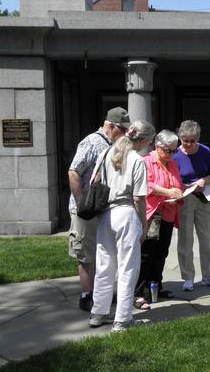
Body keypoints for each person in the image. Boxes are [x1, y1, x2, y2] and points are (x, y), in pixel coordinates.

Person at [88, 120, 155, 332]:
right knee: (128, 268)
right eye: (149, 141)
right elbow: (138, 199)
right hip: (125, 213)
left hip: (105, 214)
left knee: (104, 266)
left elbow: (94, 181)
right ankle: (123, 319)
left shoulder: (106, 152)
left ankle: (98, 313)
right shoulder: (137, 159)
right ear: (143, 140)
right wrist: (144, 225)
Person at [68, 107, 130, 311]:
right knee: (86, 254)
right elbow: (74, 173)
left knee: (102, 253)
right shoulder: (91, 142)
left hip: (100, 208)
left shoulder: (111, 144)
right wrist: (81, 205)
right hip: (86, 210)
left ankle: (100, 294)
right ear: (112, 126)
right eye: (122, 130)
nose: (124, 135)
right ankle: (87, 296)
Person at [134, 130, 184, 309]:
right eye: (168, 151)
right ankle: (138, 292)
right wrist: (167, 192)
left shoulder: (173, 164)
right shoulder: (146, 161)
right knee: (146, 253)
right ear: (157, 147)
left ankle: (155, 285)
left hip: (168, 213)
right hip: (151, 213)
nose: (171, 154)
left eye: (174, 151)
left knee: (161, 252)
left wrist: (179, 192)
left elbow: (177, 183)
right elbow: (144, 185)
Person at [173, 120, 210, 292]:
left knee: (205, 237)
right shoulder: (175, 154)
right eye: (185, 140)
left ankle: (209, 275)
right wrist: (183, 186)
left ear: (198, 138)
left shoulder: (205, 151)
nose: (188, 144)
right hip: (185, 197)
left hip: (204, 196)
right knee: (185, 238)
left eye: (192, 140)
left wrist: (203, 180)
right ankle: (188, 277)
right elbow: (172, 178)